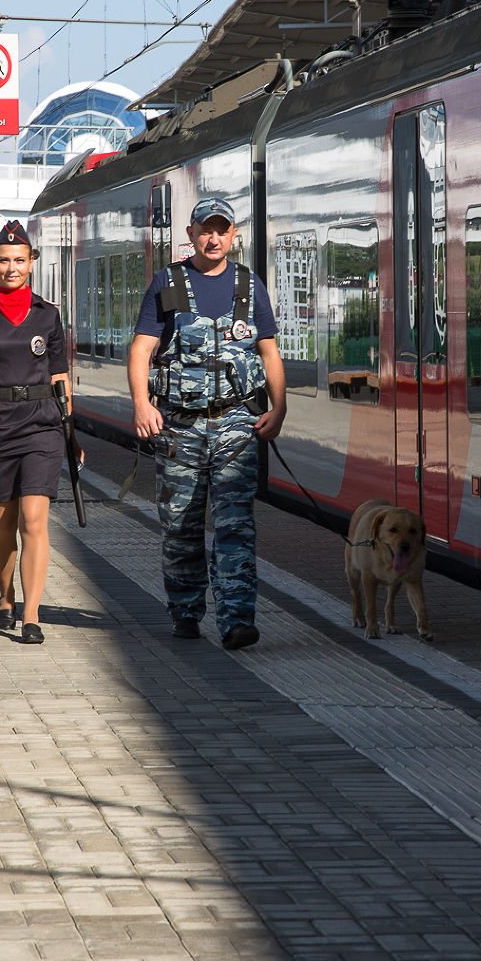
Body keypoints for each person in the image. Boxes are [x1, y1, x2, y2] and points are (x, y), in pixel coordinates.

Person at [127, 194, 287, 649]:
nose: (213, 237)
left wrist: (280, 406)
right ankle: (185, 610)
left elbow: (268, 352)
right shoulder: (168, 282)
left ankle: (238, 619)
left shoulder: (248, 285)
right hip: (180, 426)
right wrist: (142, 405)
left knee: (236, 522)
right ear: (190, 235)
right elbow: (141, 350)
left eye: (222, 229)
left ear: (234, 236)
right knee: (181, 524)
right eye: (205, 229)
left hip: (237, 422)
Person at [0, 221, 76, 645]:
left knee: (34, 520)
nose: (11, 268)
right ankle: (5, 597)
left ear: (32, 263)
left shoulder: (49, 314)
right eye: (4, 261)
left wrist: (69, 431)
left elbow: (60, 375)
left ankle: (32, 614)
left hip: (42, 425)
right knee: (2, 521)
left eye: (19, 260)